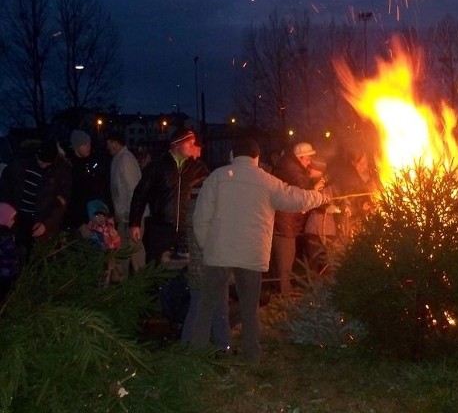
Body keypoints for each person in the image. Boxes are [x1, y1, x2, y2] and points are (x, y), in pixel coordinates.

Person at [184, 137, 330, 363]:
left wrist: (207, 247)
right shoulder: (267, 181)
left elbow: (200, 218)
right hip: (252, 255)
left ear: (232, 155)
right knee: (249, 310)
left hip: (218, 254)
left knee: (206, 306)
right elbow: (295, 198)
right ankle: (252, 357)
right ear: (257, 157)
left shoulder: (217, 178)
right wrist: (320, 197)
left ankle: (195, 356)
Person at [129, 128, 209, 265]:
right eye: (189, 143)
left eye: (193, 143)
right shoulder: (157, 167)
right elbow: (140, 194)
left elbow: (211, 186)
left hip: (185, 231)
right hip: (160, 230)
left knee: (181, 272)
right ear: (176, 144)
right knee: (157, 268)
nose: (192, 146)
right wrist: (135, 223)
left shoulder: (197, 168)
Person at [271, 142, 325, 295]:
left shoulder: (290, 166)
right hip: (284, 222)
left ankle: (282, 289)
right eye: (308, 159)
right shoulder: (292, 169)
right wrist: (315, 189)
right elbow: (303, 193)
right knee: (285, 258)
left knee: (284, 259)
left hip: (285, 221)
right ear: (300, 158)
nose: (309, 163)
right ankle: (284, 293)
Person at [0, 140, 71, 256]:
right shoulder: (22, 161)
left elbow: (61, 202)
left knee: (34, 257)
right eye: (40, 161)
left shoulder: (61, 171)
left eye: (46, 163)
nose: (43, 165)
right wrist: (6, 212)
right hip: (16, 219)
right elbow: (6, 186)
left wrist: (46, 224)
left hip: (39, 221)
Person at [106, 131, 146, 274]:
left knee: (135, 250)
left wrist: (133, 216)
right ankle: (123, 282)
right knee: (123, 250)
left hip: (131, 215)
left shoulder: (126, 160)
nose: (107, 147)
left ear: (115, 143)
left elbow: (134, 189)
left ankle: (142, 282)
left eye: (109, 144)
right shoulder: (118, 159)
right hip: (124, 216)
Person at [65, 129, 111, 230]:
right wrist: (80, 223)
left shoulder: (94, 163)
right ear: (77, 146)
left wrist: (103, 211)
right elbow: (72, 198)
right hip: (79, 221)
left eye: (89, 144)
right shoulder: (70, 169)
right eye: (84, 144)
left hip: (96, 216)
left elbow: (102, 189)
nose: (88, 147)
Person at [334, 149, 381, 238]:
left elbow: (380, 190)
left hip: (374, 218)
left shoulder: (373, 176)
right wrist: (362, 203)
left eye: (365, 162)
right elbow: (351, 193)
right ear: (353, 163)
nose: (363, 166)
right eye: (360, 163)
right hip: (356, 220)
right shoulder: (350, 177)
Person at [0, 202, 19, 302]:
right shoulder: (5, 236)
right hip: (5, 274)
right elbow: (11, 255)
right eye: (12, 219)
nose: (13, 222)